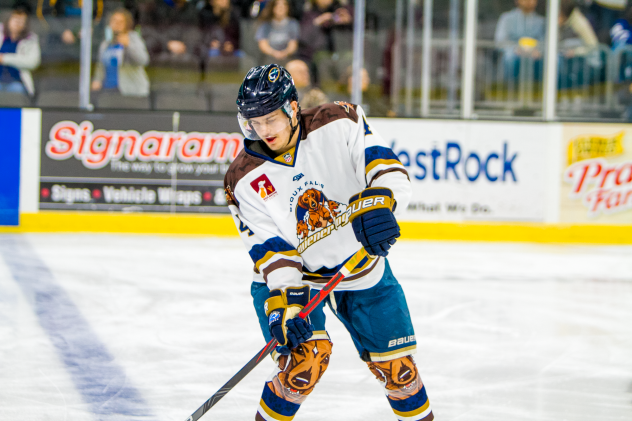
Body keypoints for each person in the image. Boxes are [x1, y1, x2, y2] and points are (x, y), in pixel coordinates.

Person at [224, 63, 433, 421]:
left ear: (292, 108)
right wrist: (284, 305)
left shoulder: (340, 121)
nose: (262, 130)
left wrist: (381, 203)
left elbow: (385, 169)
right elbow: (271, 250)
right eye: (253, 122)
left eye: (270, 119)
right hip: (299, 280)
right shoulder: (241, 179)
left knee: (401, 373)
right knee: (301, 367)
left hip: (361, 268)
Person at [91, 8, 150, 97]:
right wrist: (97, 80)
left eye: (120, 22)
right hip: (107, 90)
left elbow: (143, 60)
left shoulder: (133, 38)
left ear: (126, 24)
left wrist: (128, 46)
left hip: (130, 91)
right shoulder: (106, 44)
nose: (117, 24)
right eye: (114, 21)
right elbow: (100, 66)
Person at [494, 0, 545, 81]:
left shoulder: (541, 21)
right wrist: (515, 49)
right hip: (514, 56)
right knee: (509, 58)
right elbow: (500, 41)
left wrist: (539, 51)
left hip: (535, 58)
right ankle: (509, 89)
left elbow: (545, 42)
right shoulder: (506, 18)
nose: (528, 1)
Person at [0, 4, 40, 97]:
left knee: (17, 91)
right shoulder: (1, 33)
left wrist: (4, 59)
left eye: (22, 21)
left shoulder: (30, 39)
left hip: (17, 83)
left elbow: (33, 62)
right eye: (15, 19)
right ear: (9, 19)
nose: (18, 23)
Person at [256, 0, 300, 65]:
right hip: (269, 59)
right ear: (273, 8)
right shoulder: (265, 25)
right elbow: (263, 45)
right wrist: (274, 53)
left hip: (287, 58)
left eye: (284, 5)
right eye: (278, 5)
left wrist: (284, 53)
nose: (281, 7)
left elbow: (293, 45)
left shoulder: (293, 24)